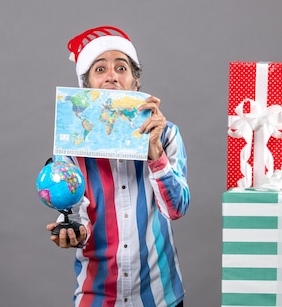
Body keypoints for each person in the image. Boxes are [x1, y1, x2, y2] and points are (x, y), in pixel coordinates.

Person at [46, 26, 189, 307]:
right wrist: (73, 232)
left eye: (121, 67)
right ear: (86, 87)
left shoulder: (167, 134)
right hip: (97, 297)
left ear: (135, 83)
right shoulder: (70, 145)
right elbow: (77, 217)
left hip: (160, 297)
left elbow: (175, 209)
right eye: (100, 69)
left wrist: (155, 153)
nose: (111, 74)